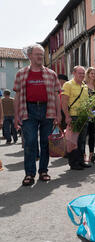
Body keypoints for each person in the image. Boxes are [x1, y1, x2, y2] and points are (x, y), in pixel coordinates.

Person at [13, 44, 62, 186]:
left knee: (46, 142)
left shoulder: (51, 74)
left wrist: (59, 114)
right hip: (28, 110)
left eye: (42, 54)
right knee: (30, 142)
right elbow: (17, 96)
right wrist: (16, 116)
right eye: (37, 54)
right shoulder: (21, 74)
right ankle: (29, 173)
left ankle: (43, 171)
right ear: (29, 56)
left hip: (48, 109)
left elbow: (57, 94)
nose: (40, 57)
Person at [61, 66, 91, 170]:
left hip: (84, 116)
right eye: (80, 73)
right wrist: (67, 116)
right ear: (74, 73)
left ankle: (81, 161)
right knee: (74, 141)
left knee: (82, 140)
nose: (82, 75)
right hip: (73, 116)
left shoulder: (85, 86)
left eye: (83, 73)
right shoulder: (68, 85)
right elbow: (64, 102)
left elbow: (86, 102)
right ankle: (73, 163)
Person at [84, 67, 95, 163]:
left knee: (92, 134)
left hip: (94, 113)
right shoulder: (84, 85)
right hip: (86, 113)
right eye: (92, 73)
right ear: (88, 74)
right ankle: (83, 154)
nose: (93, 75)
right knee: (84, 135)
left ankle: (91, 154)